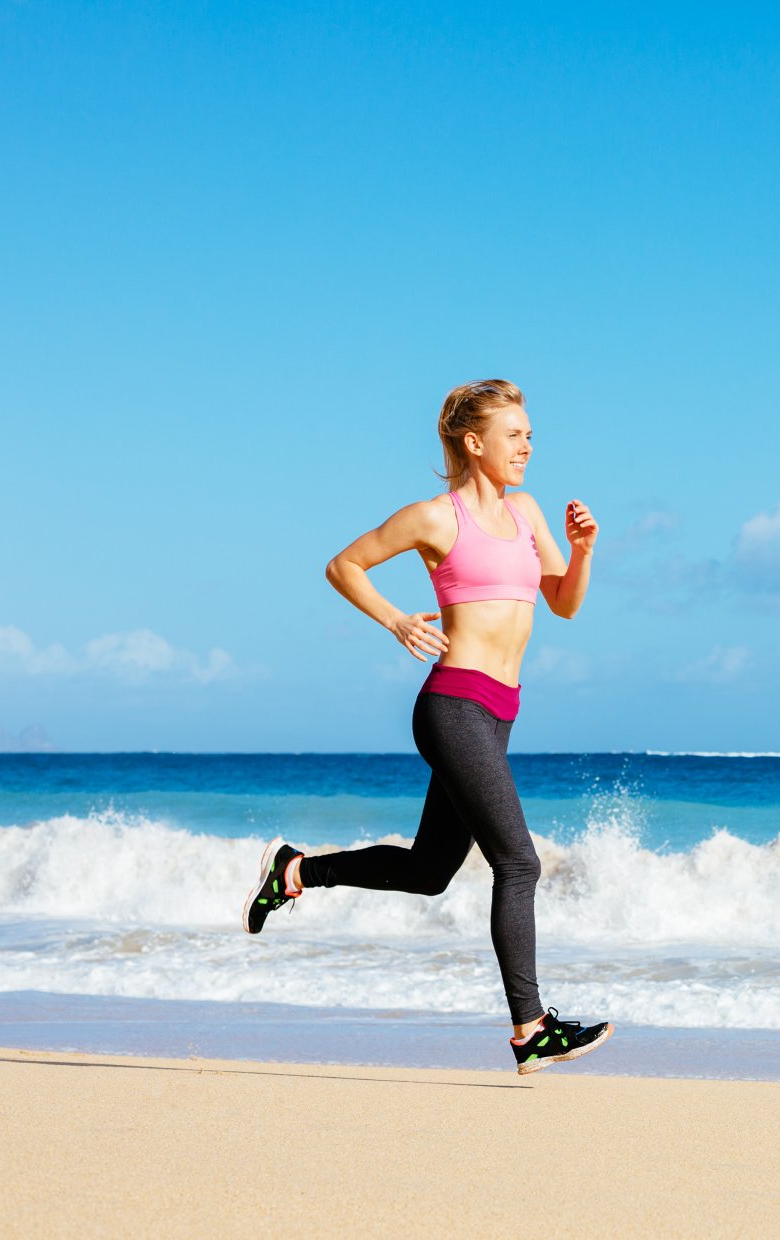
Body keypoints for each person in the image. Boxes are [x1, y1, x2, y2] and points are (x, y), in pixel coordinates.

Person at [240, 378, 611, 1075]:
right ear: (475, 444)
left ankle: (295, 869)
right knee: (519, 862)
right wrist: (397, 619)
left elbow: (563, 604)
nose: (528, 444)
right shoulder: (435, 519)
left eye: (531, 434)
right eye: (515, 434)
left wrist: (582, 549)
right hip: (452, 707)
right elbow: (343, 564)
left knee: (429, 871)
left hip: (500, 713)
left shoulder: (529, 513)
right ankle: (531, 1030)